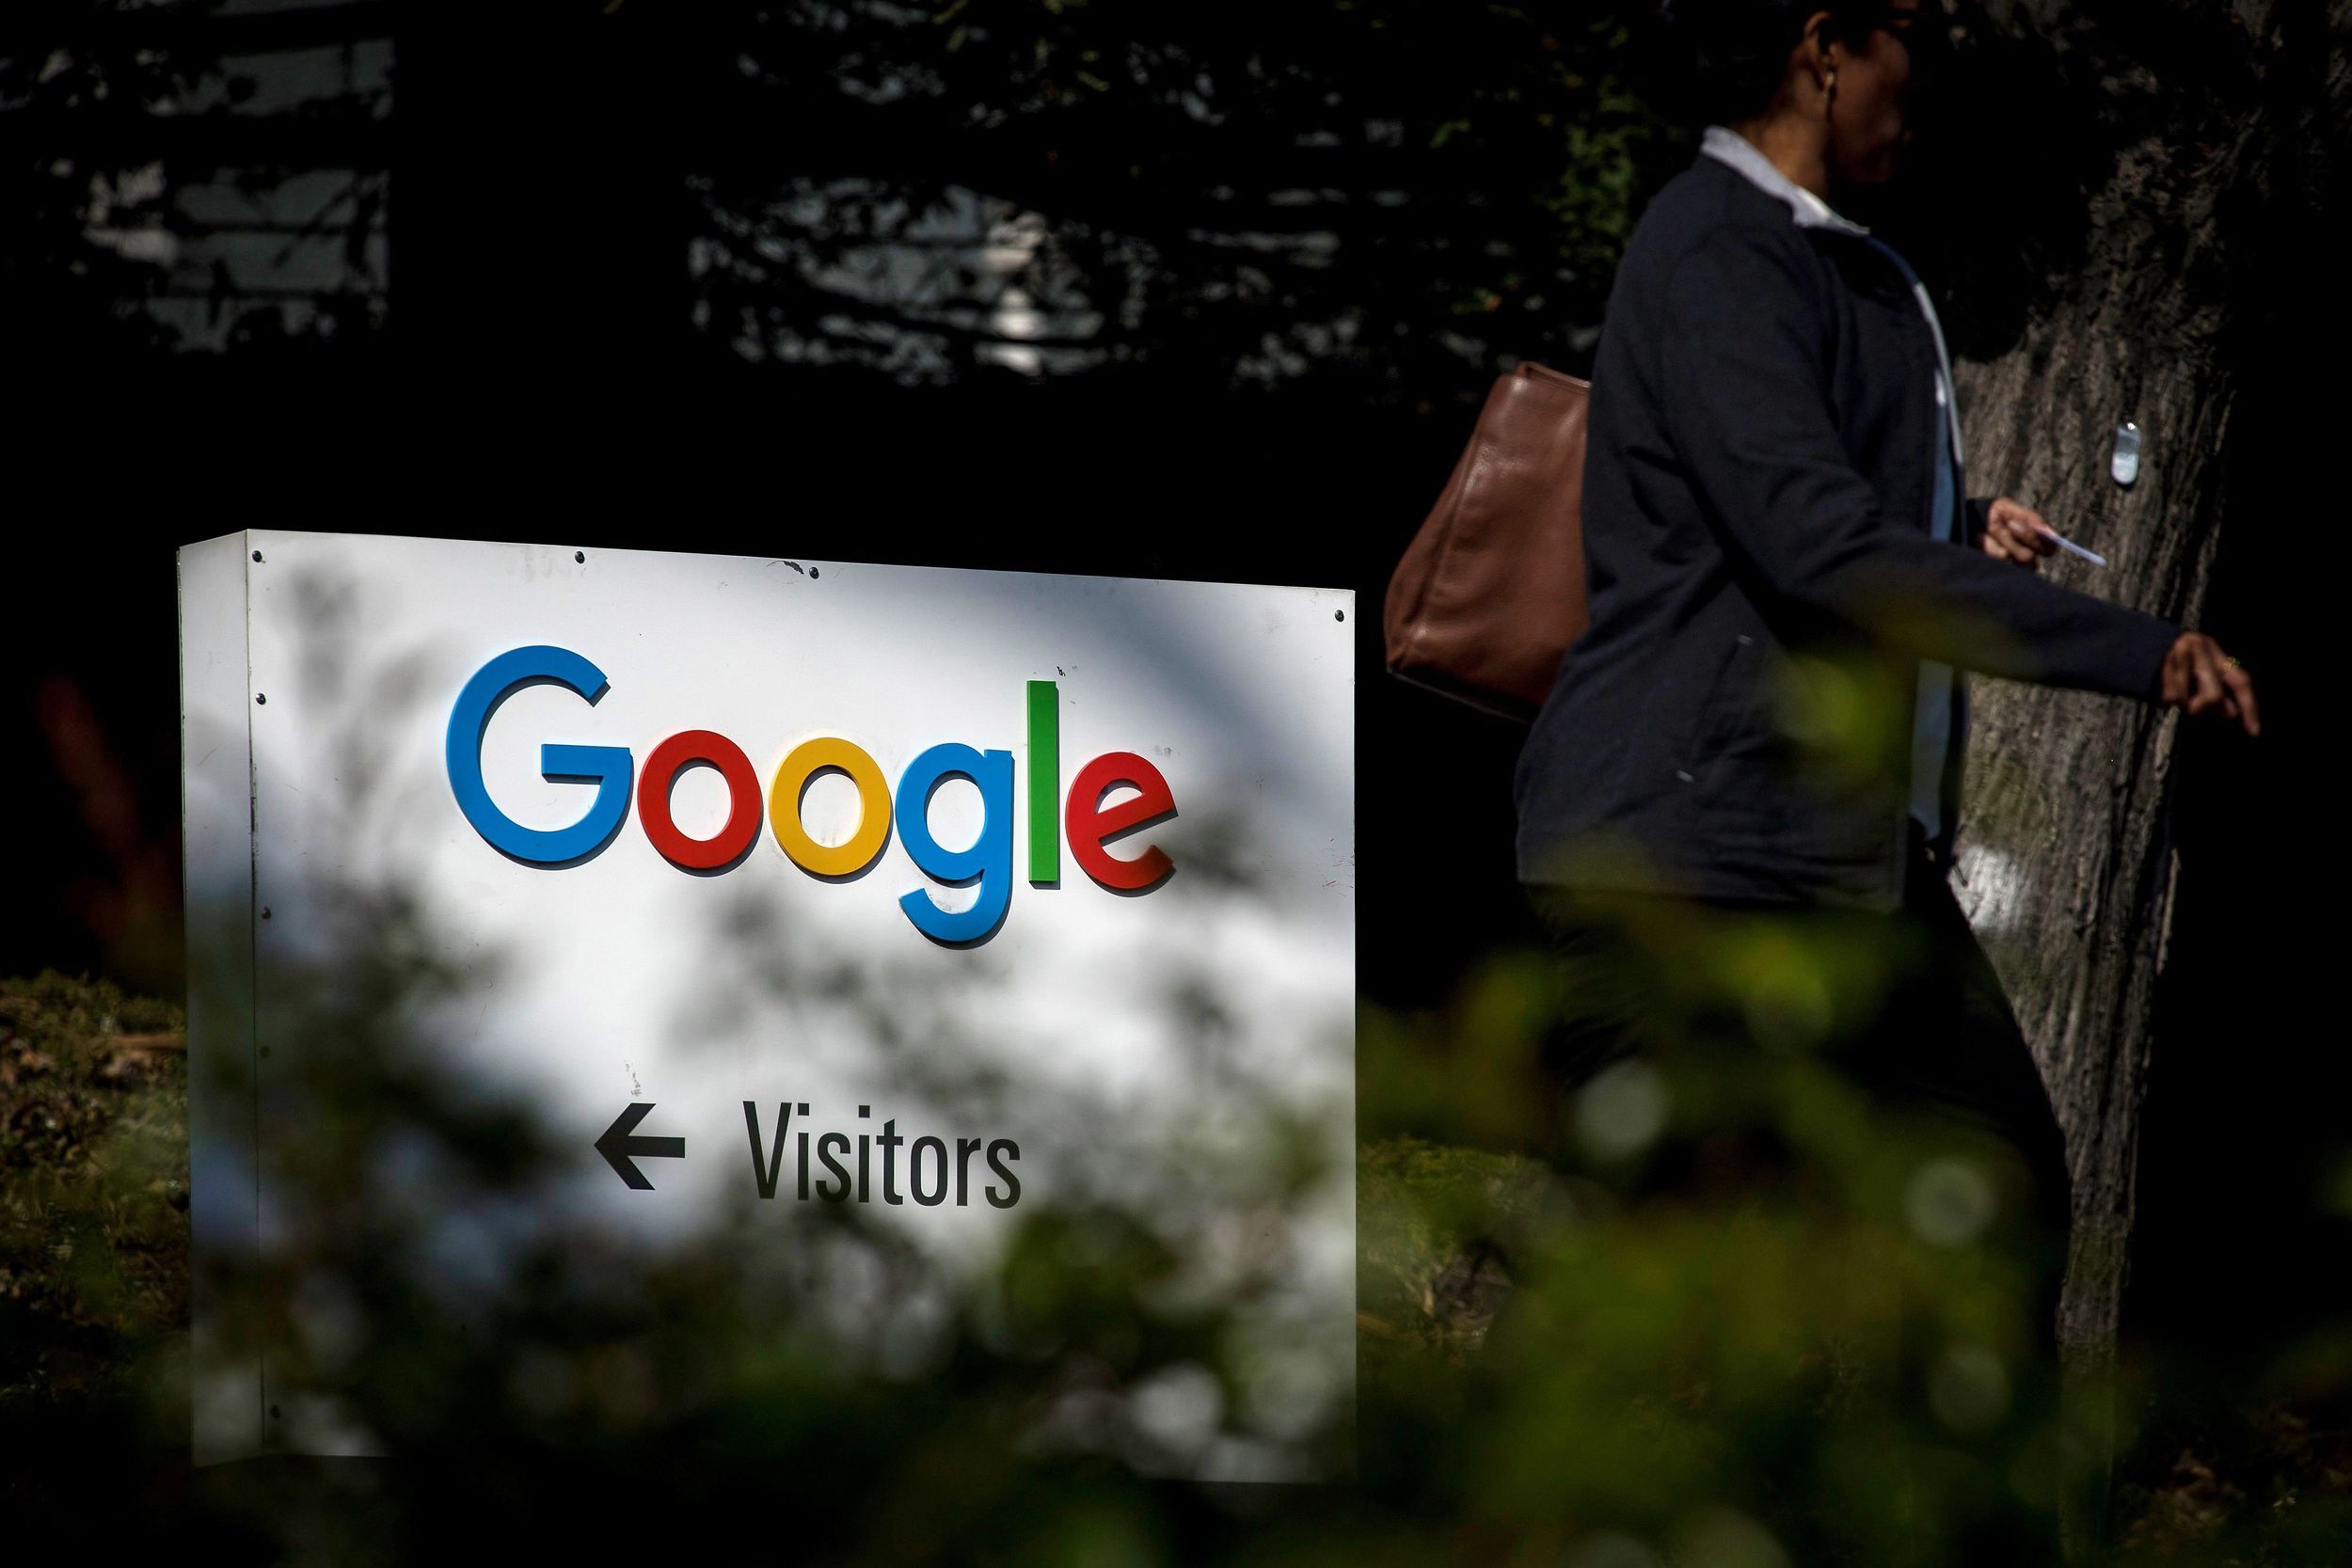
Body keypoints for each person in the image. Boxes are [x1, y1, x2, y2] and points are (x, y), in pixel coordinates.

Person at [1510, 1, 2260, 1560]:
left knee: (1990, 1190)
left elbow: (1796, 501)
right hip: (1687, 856)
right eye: (1910, 39)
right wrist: (2135, 648)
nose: (1933, 82)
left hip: (1825, 855)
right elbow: (1811, 547)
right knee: (1681, 1335)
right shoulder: (1720, 249)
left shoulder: (1835, 258)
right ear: (1821, 45)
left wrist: (1958, 513)